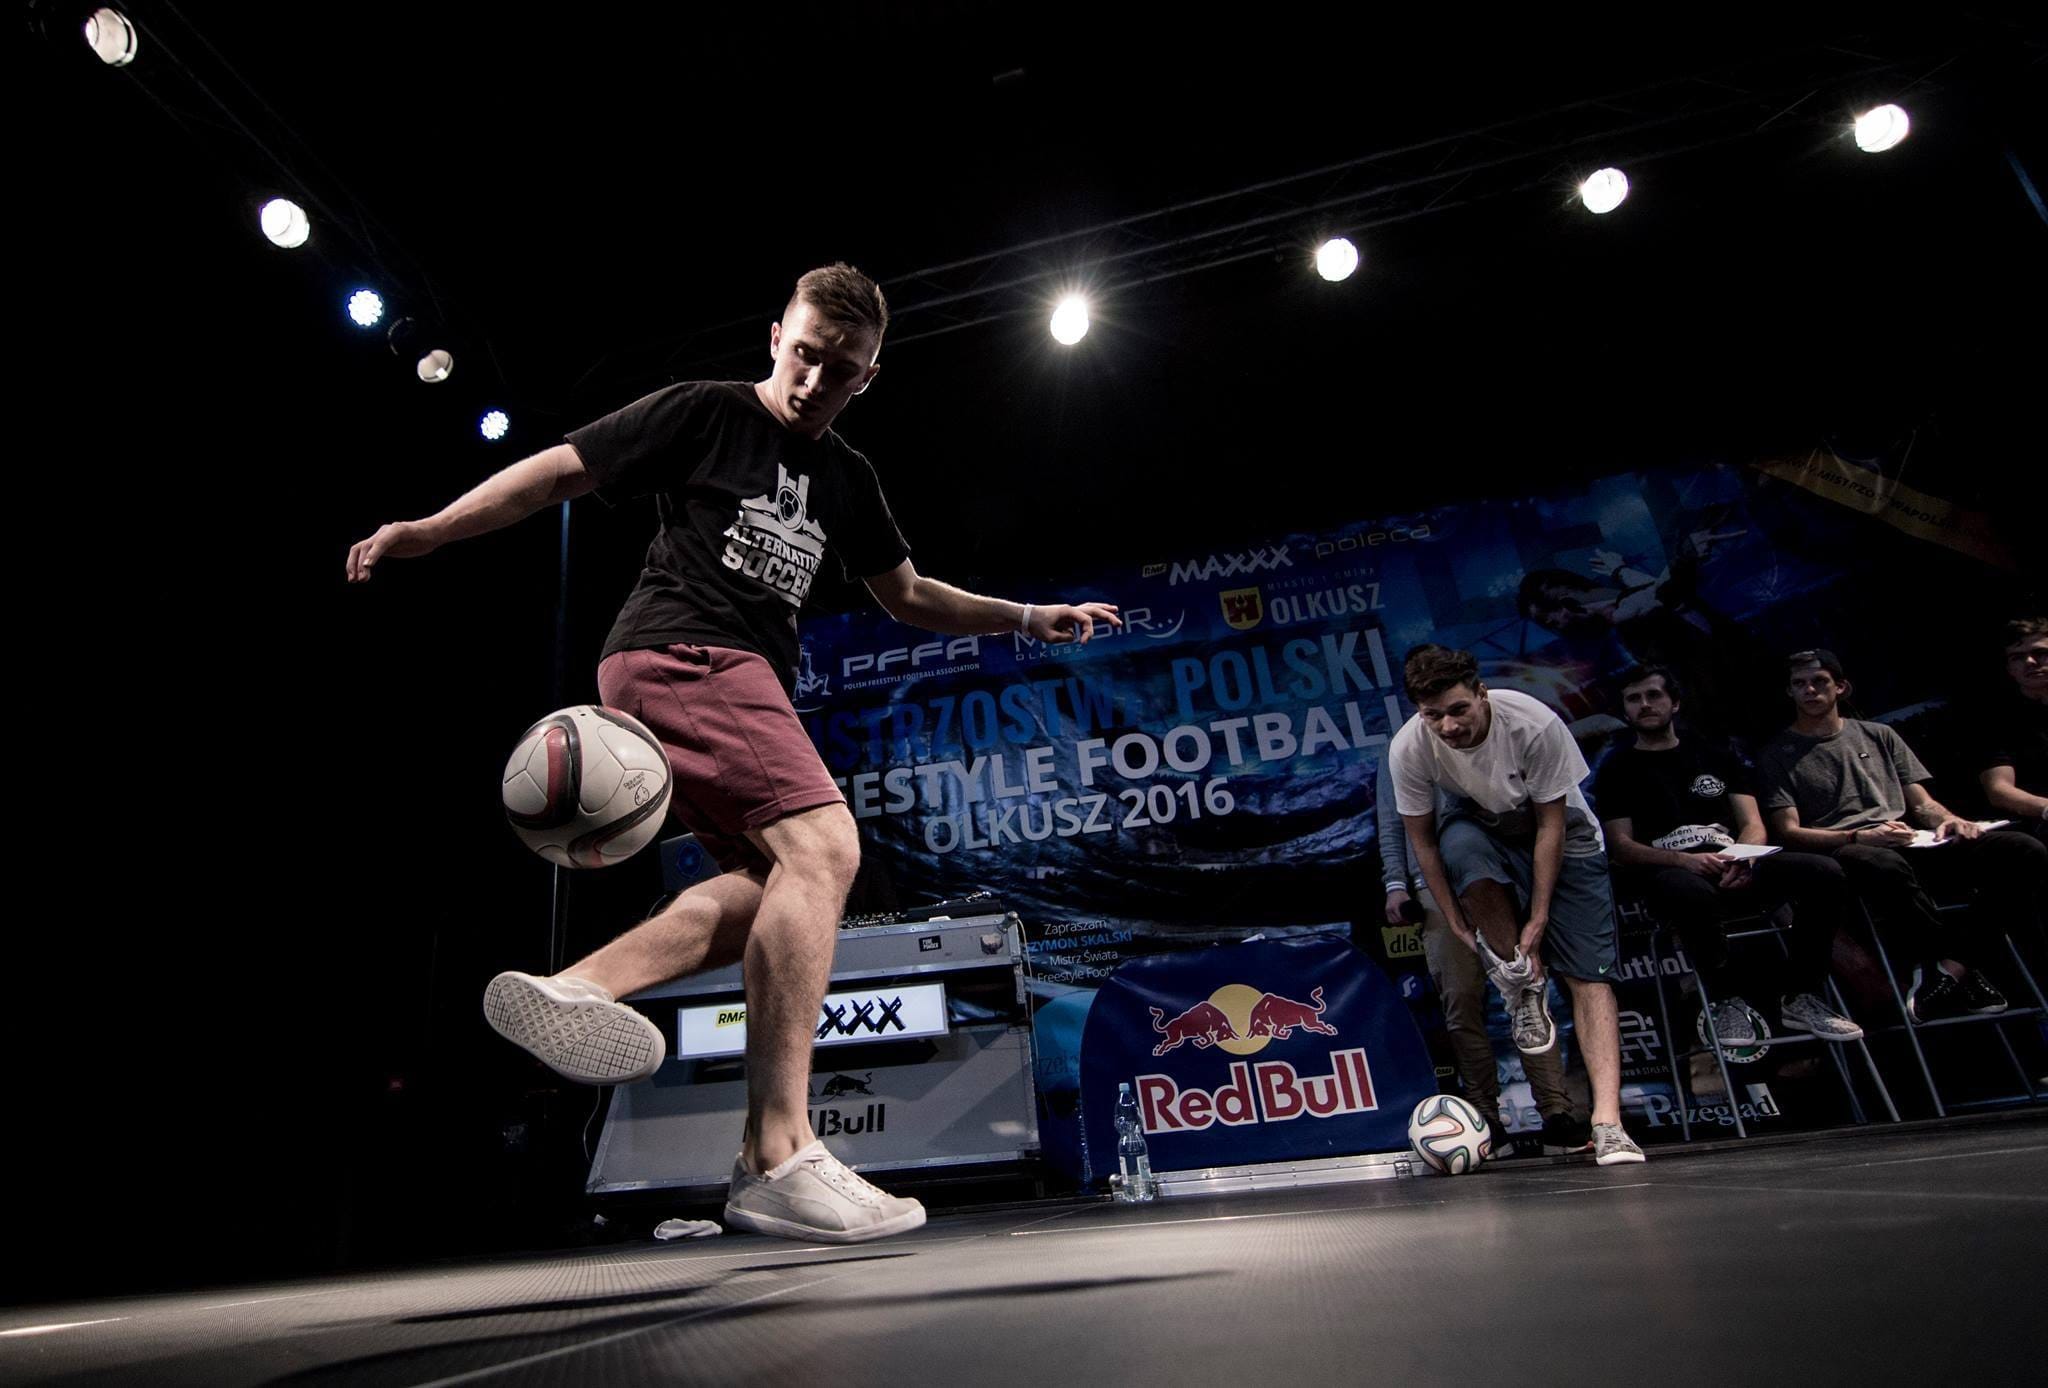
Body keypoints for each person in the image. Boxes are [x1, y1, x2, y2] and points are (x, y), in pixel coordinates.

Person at [348, 263, 1121, 1242]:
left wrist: (1025, 614)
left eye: (840, 369)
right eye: (805, 354)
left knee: (770, 886)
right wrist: (432, 528)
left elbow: (908, 594)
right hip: (682, 648)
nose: (814, 381)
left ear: (868, 377)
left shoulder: (847, 478)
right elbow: (561, 469)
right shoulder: (707, 412)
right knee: (827, 848)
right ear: (775, 339)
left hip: (718, 671)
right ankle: (778, 1152)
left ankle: (582, 986)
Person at [1389, 644, 1644, 1165]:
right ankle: (1520, 981)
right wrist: (1455, 919)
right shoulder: (1410, 746)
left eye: (1458, 709)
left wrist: (1540, 915)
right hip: (1485, 829)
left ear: (1481, 694)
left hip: (1563, 838)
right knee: (1461, 844)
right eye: (1433, 715)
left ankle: (1608, 1124)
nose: (1448, 726)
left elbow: (1551, 825)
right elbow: (1424, 842)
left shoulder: (1533, 724)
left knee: (1589, 980)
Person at [1756, 649, 2045, 1023]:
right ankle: (1956, 971)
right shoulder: (1776, 753)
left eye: (1819, 681)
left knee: (2023, 849)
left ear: (1841, 687)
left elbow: (1921, 803)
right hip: (1850, 848)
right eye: (1800, 684)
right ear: (1790, 692)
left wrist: (1950, 820)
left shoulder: (1879, 735)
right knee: (1880, 862)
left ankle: (1953, 966)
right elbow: (1789, 832)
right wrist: (1857, 836)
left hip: (1908, 838)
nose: (1810, 690)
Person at [1592, 666, 1862, 1046]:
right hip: (1671, 875)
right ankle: (1725, 1001)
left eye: (1654, 695)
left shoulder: (1715, 754)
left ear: (1675, 703)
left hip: (1734, 864)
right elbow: (1622, 846)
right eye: (1634, 699)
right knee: (1688, 891)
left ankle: (1801, 995)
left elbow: (1752, 823)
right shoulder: (1617, 769)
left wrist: (1742, 857)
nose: (1645, 705)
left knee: (1824, 871)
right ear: (1624, 711)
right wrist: (1684, 860)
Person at [1377, 757, 1590, 1154]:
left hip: (1499, 872)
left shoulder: (1492, 736)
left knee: (1526, 987)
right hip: (1434, 883)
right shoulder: (1401, 748)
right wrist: (1395, 883)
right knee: (1460, 999)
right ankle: (1484, 1117)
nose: (1447, 726)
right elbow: (1393, 822)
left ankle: (1556, 1111)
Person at [1973, 617, 2048, 846]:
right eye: (2017, 657)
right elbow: (1999, 790)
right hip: (2037, 821)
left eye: (2041, 653)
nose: (2030, 661)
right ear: (2009, 669)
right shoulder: (1996, 721)